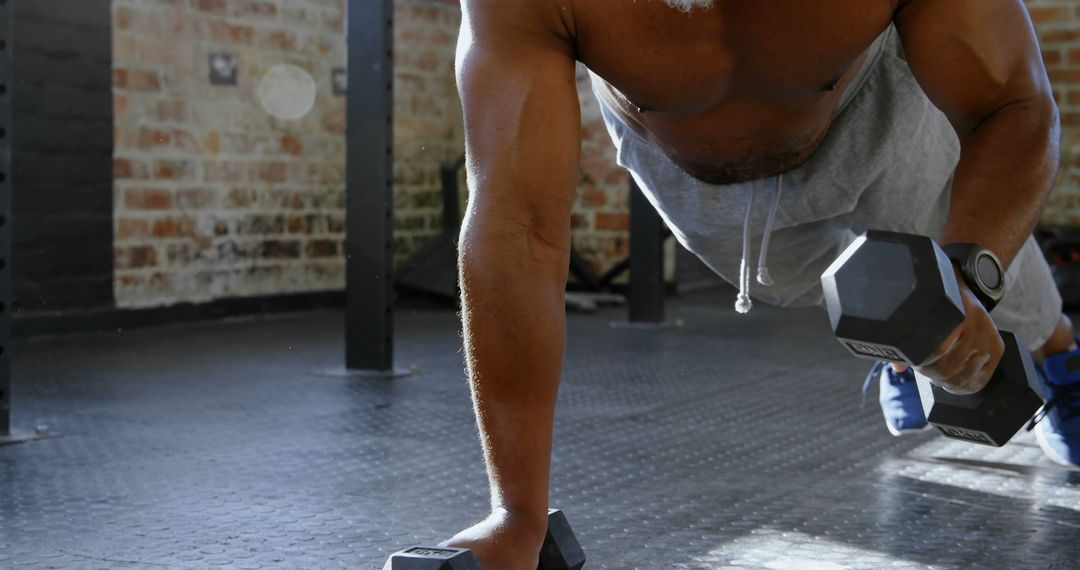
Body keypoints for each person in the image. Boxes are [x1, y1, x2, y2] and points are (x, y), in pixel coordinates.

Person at [449, 0, 1080, 567]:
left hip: (875, 105)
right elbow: (517, 232)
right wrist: (516, 514)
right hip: (693, 170)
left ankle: (1057, 353)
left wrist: (968, 274)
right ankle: (901, 347)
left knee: (956, 268)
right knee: (794, 285)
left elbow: (1013, 103)